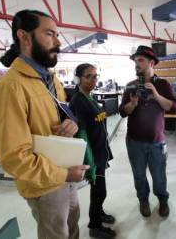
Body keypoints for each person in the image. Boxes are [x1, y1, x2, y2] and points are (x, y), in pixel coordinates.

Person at [0, 9, 89, 239]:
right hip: (44, 185)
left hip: (67, 174)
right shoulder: (9, 88)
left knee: (72, 228)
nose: (58, 41)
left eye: (57, 34)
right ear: (24, 37)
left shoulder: (50, 78)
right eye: (50, 34)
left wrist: (70, 123)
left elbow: (61, 113)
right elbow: (12, 157)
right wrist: (63, 174)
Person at [119, 45, 176, 218]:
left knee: (159, 176)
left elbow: (174, 107)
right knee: (139, 176)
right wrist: (132, 104)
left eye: (140, 60)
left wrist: (156, 95)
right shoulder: (130, 86)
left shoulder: (163, 84)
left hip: (156, 141)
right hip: (134, 141)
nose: (136, 64)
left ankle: (162, 200)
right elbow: (123, 112)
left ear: (151, 63)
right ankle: (143, 200)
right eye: (135, 61)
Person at [69, 63, 116, 239]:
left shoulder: (89, 97)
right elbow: (82, 135)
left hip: (100, 151)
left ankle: (100, 213)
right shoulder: (78, 102)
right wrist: (90, 164)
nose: (93, 80)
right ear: (79, 79)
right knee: (99, 191)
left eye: (95, 76)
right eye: (88, 76)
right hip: (93, 156)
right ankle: (95, 226)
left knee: (99, 191)